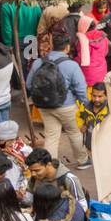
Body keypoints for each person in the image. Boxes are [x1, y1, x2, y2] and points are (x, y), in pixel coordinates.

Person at [26, 33, 91, 171]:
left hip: (43, 106)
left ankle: (50, 166)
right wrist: (85, 105)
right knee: (74, 133)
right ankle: (83, 161)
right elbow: (81, 89)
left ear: (51, 46)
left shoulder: (38, 62)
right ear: (67, 48)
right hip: (66, 106)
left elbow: (29, 84)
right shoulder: (72, 65)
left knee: (51, 136)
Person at [25, 146, 88, 213]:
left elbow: (82, 206)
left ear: (49, 164)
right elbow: (29, 199)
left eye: (37, 170)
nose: (33, 174)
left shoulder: (69, 179)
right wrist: (22, 197)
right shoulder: (34, 178)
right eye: (31, 171)